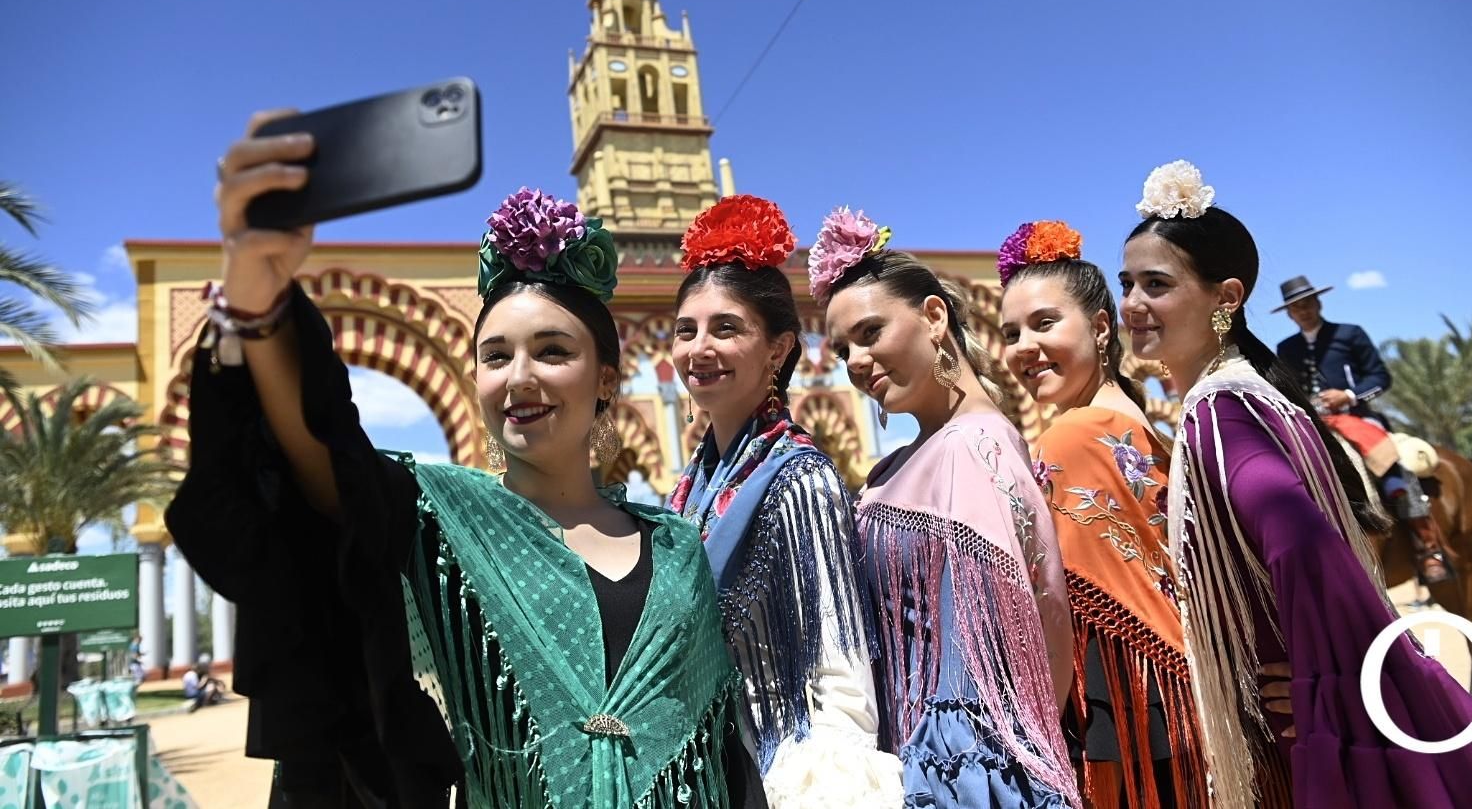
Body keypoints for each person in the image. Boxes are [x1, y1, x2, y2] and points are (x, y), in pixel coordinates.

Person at [167, 111, 764, 808]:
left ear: (606, 378)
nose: (519, 378)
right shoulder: (439, 520)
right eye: (495, 356)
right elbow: (319, 453)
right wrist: (258, 300)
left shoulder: (677, 548)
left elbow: (719, 746)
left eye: (552, 351)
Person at [1118, 159, 1472, 808]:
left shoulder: (1226, 408)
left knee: (1393, 461)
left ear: (1226, 299)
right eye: (1126, 283)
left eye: (1156, 284)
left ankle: (1424, 537)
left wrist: (1331, 676)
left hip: (1346, 418)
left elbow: (1301, 537)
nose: (1131, 303)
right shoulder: (1260, 377)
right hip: (1304, 418)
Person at [811, 207, 1080, 808]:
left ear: (934, 316)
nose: (855, 361)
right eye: (842, 349)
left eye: (870, 333)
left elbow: (993, 663)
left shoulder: (970, 449)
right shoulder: (899, 466)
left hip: (955, 778)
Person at [669, 196, 898, 806]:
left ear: (778, 349)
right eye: (686, 330)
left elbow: (841, 680)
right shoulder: (693, 487)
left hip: (775, 779)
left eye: (726, 329)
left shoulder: (799, 481)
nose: (698, 348)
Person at [996, 220, 1205, 808]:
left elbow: (1053, 604)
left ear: (1101, 326)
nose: (1023, 347)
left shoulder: (1071, 437)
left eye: (1044, 323)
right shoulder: (1133, 422)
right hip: (1179, 700)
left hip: (1127, 706)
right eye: (1011, 333)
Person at [1273, 275, 1454, 584]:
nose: (1303, 310)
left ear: (1318, 303)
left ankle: (1428, 547)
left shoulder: (1349, 334)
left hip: (1357, 418)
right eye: (1295, 307)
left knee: (1395, 470)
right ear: (1289, 314)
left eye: (1307, 303)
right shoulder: (1286, 348)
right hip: (1312, 424)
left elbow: (1381, 377)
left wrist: (1349, 395)